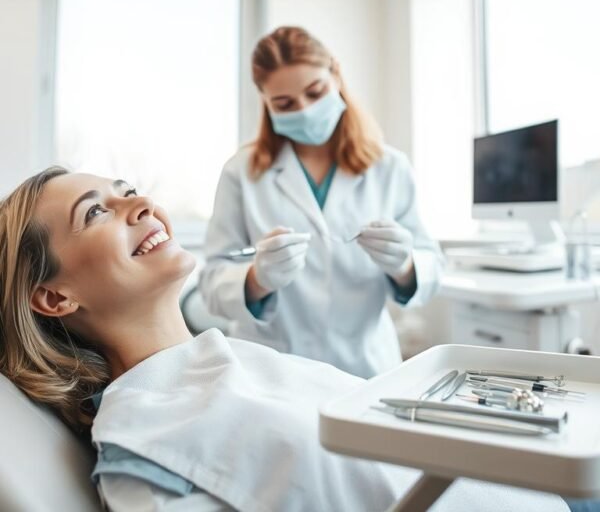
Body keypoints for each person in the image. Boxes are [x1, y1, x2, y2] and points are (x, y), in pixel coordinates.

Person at [0, 168, 569, 511]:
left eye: (127, 189)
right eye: (97, 211)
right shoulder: (143, 442)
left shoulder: (212, 361)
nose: (142, 203)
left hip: (527, 485)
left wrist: (408, 265)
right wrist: (255, 280)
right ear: (54, 298)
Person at [199, 26, 444, 378]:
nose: (305, 110)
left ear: (336, 75)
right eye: (284, 104)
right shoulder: (242, 172)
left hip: (365, 369)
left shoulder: (389, 168)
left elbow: (432, 267)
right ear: (266, 103)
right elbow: (211, 284)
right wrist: (257, 279)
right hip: (271, 371)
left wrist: (405, 264)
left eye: (316, 92)